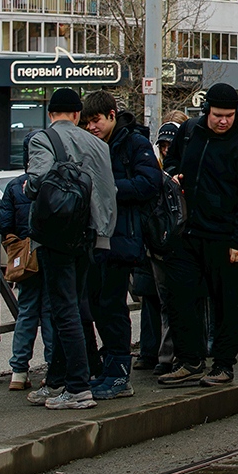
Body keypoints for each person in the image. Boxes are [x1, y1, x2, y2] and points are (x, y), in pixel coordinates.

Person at [159, 83, 238, 387]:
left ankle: (223, 363)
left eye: (229, 115)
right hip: (188, 232)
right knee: (180, 297)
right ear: (207, 112)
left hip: (225, 236)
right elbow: (172, 161)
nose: (223, 121)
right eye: (218, 115)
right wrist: (176, 172)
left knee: (227, 304)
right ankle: (190, 360)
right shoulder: (190, 131)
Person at [24, 88, 116, 411]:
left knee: (63, 309)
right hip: (88, 235)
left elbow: (37, 180)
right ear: (77, 115)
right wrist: (102, 234)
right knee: (75, 305)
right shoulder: (97, 143)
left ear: (51, 114)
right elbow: (107, 191)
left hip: (57, 236)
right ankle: (58, 380)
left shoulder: (42, 140)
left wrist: (27, 187)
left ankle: (76, 387)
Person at [80, 92, 160, 399]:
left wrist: (109, 188)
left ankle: (118, 374)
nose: (92, 127)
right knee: (99, 305)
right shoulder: (92, 143)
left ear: (112, 114)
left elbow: (149, 183)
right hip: (95, 237)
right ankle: (108, 368)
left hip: (121, 237)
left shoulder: (134, 143)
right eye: (87, 122)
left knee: (112, 306)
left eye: (96, 120)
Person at [0, 164, 54, 391]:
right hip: (51, 254)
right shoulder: (53, 181)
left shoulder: (13, 185)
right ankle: (52, 368)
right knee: (51, 313)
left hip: (25, 257)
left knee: (26, 312)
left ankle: (19, 372)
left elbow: (4, 223)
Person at [136, 116, 184, 375]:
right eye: (163, 145)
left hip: (172, 241)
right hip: (153, 242)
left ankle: (168, 355)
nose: (166, 150)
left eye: (170, 145)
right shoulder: (152, 168)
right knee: (153, 300)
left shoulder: (181, 167)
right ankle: (152, 352)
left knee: (169, 300)